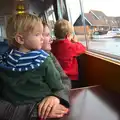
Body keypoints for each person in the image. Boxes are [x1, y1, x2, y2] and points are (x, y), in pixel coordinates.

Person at [0, 14, 70, 120]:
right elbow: (58, 84)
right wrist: (36, 110)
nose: (50, 39)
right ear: (20, 39)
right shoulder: (44, 59)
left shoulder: (5, 60)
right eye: (40, 34)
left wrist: (56, 97)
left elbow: (64, 80)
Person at [51, 19, 86, 88]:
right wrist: (75, 42)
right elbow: (83, 48)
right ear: (68, 35)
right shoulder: (70, 46)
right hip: (71, 79)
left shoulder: (52, 45)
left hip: (56, 78)